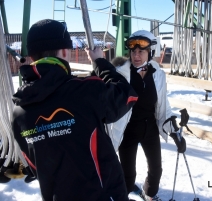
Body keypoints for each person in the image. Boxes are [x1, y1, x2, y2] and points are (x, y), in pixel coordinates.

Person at [11, 19, 138, 201]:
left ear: (31, 57)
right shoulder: (85, 91)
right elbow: (127, 95)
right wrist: (100, 62)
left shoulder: (18, 112)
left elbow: (32, 165)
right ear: (64, 51)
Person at [106, 30, 187, 201]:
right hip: (128, 130)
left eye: (141, 51)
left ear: (150, 52)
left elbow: (163, 106)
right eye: (133, 52)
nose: (136, 55)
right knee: (128, 176)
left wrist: (174, 132)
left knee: (156, 170)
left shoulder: (158, 75)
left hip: (149, 128)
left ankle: (148, 195)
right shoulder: (121, 75)